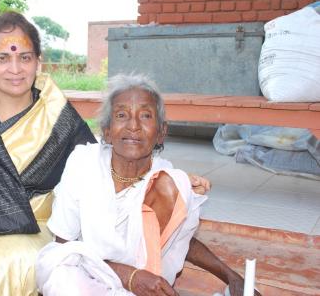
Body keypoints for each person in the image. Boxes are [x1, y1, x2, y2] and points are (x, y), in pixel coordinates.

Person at [0, 12, 211, 295]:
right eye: (2, 58)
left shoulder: (56, 114)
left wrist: (165, 175)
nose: (14, 68)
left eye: (24, 57)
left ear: (38, 61)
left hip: (30, 223)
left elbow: (103, 157)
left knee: (19, 262)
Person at [36, 74, 261, 296]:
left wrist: (233, 277)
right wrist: (127, 276)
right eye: (122, 115)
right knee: (61, 277)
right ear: (107, 130)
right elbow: (64, 247)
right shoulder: (84, 163)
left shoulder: (167, 183)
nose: (133, 126)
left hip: (145, 285)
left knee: (176, 185)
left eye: (145, 116)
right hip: (88, 279)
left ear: (161, 132)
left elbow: (177, 241)